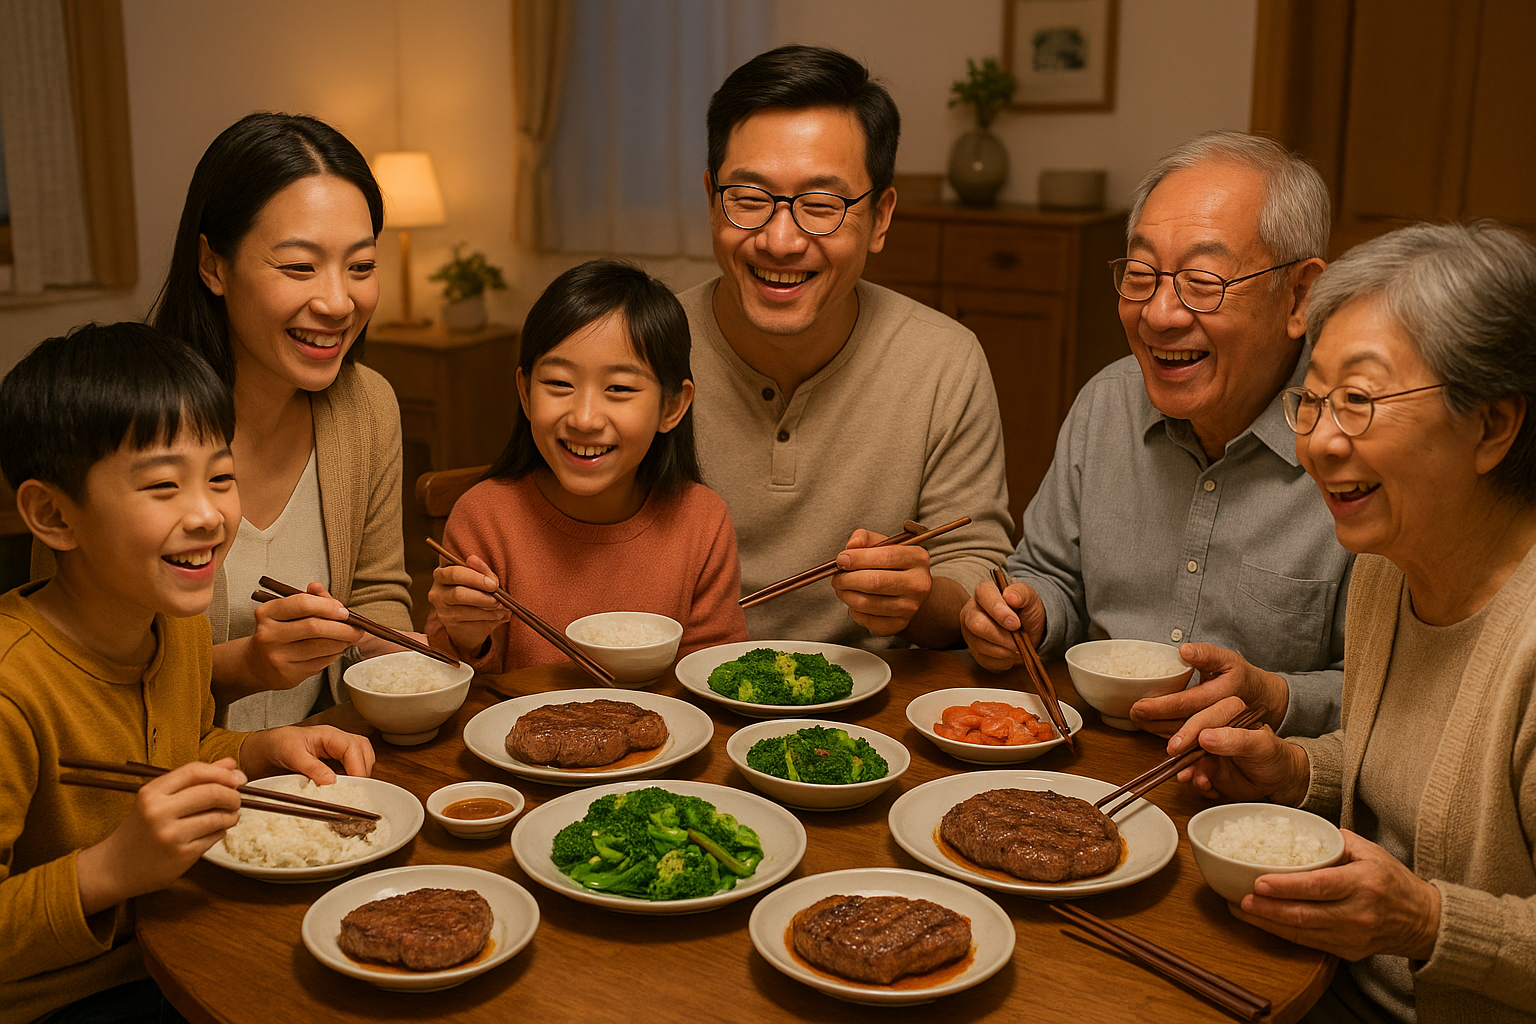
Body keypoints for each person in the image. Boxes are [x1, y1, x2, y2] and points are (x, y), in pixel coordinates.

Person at [1171, 222, 1536, 1023]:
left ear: (1492, 426)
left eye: (1360, 402)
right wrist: (1297, 773)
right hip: (1323, 980)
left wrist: (1427, 923)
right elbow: (1406, 774)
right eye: (1312, 401)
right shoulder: (1386, 566)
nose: (1319, 444)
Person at [0, 323, 374, 1024]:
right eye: (163, 485)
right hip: (59, 1001)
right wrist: (110, 869)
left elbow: (179, 751)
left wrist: (259, 751)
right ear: (53, 514)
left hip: (176, 951)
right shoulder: (11, 687)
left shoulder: (172, 623)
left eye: (221, 478)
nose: (207, 514)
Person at [960, 131, 1352, 737]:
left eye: (1204, 281)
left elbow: (1391, 690)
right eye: (1141, 274)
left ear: (1300, 296)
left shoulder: (1359, 449)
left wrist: (1276, 698)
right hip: (1086, 751)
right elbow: (1048, 573)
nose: (1160, 314)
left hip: (1257, 782)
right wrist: (1028, 615)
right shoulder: (1107, 404)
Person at [679, 44, 1014, 650]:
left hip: (873, 698)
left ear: (880, 217)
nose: (780, 241)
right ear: (711, 200)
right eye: (749, 199)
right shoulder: (642, 347)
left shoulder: (943, 360)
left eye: (820, 206)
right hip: (664, 691)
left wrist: (916, 599)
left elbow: (975, 566)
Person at [148, 113, 413, 730]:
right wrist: (244, 667)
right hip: (168, 774)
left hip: (320, 761)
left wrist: (395, 655)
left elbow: (375, 594)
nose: (338, 302)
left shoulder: (366, 407)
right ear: (213, 265)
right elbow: (84, 668)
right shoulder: (128, 420)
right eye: (299, 267)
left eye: (361, 266)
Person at [426, 260, 748, 671]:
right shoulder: (484, 518)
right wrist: (464, 636)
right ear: (525, 393)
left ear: (671, 407)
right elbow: (452, 680)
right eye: (560, 383)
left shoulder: (701, 521)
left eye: (619, 388)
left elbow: (714, 672)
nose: (585, 418)